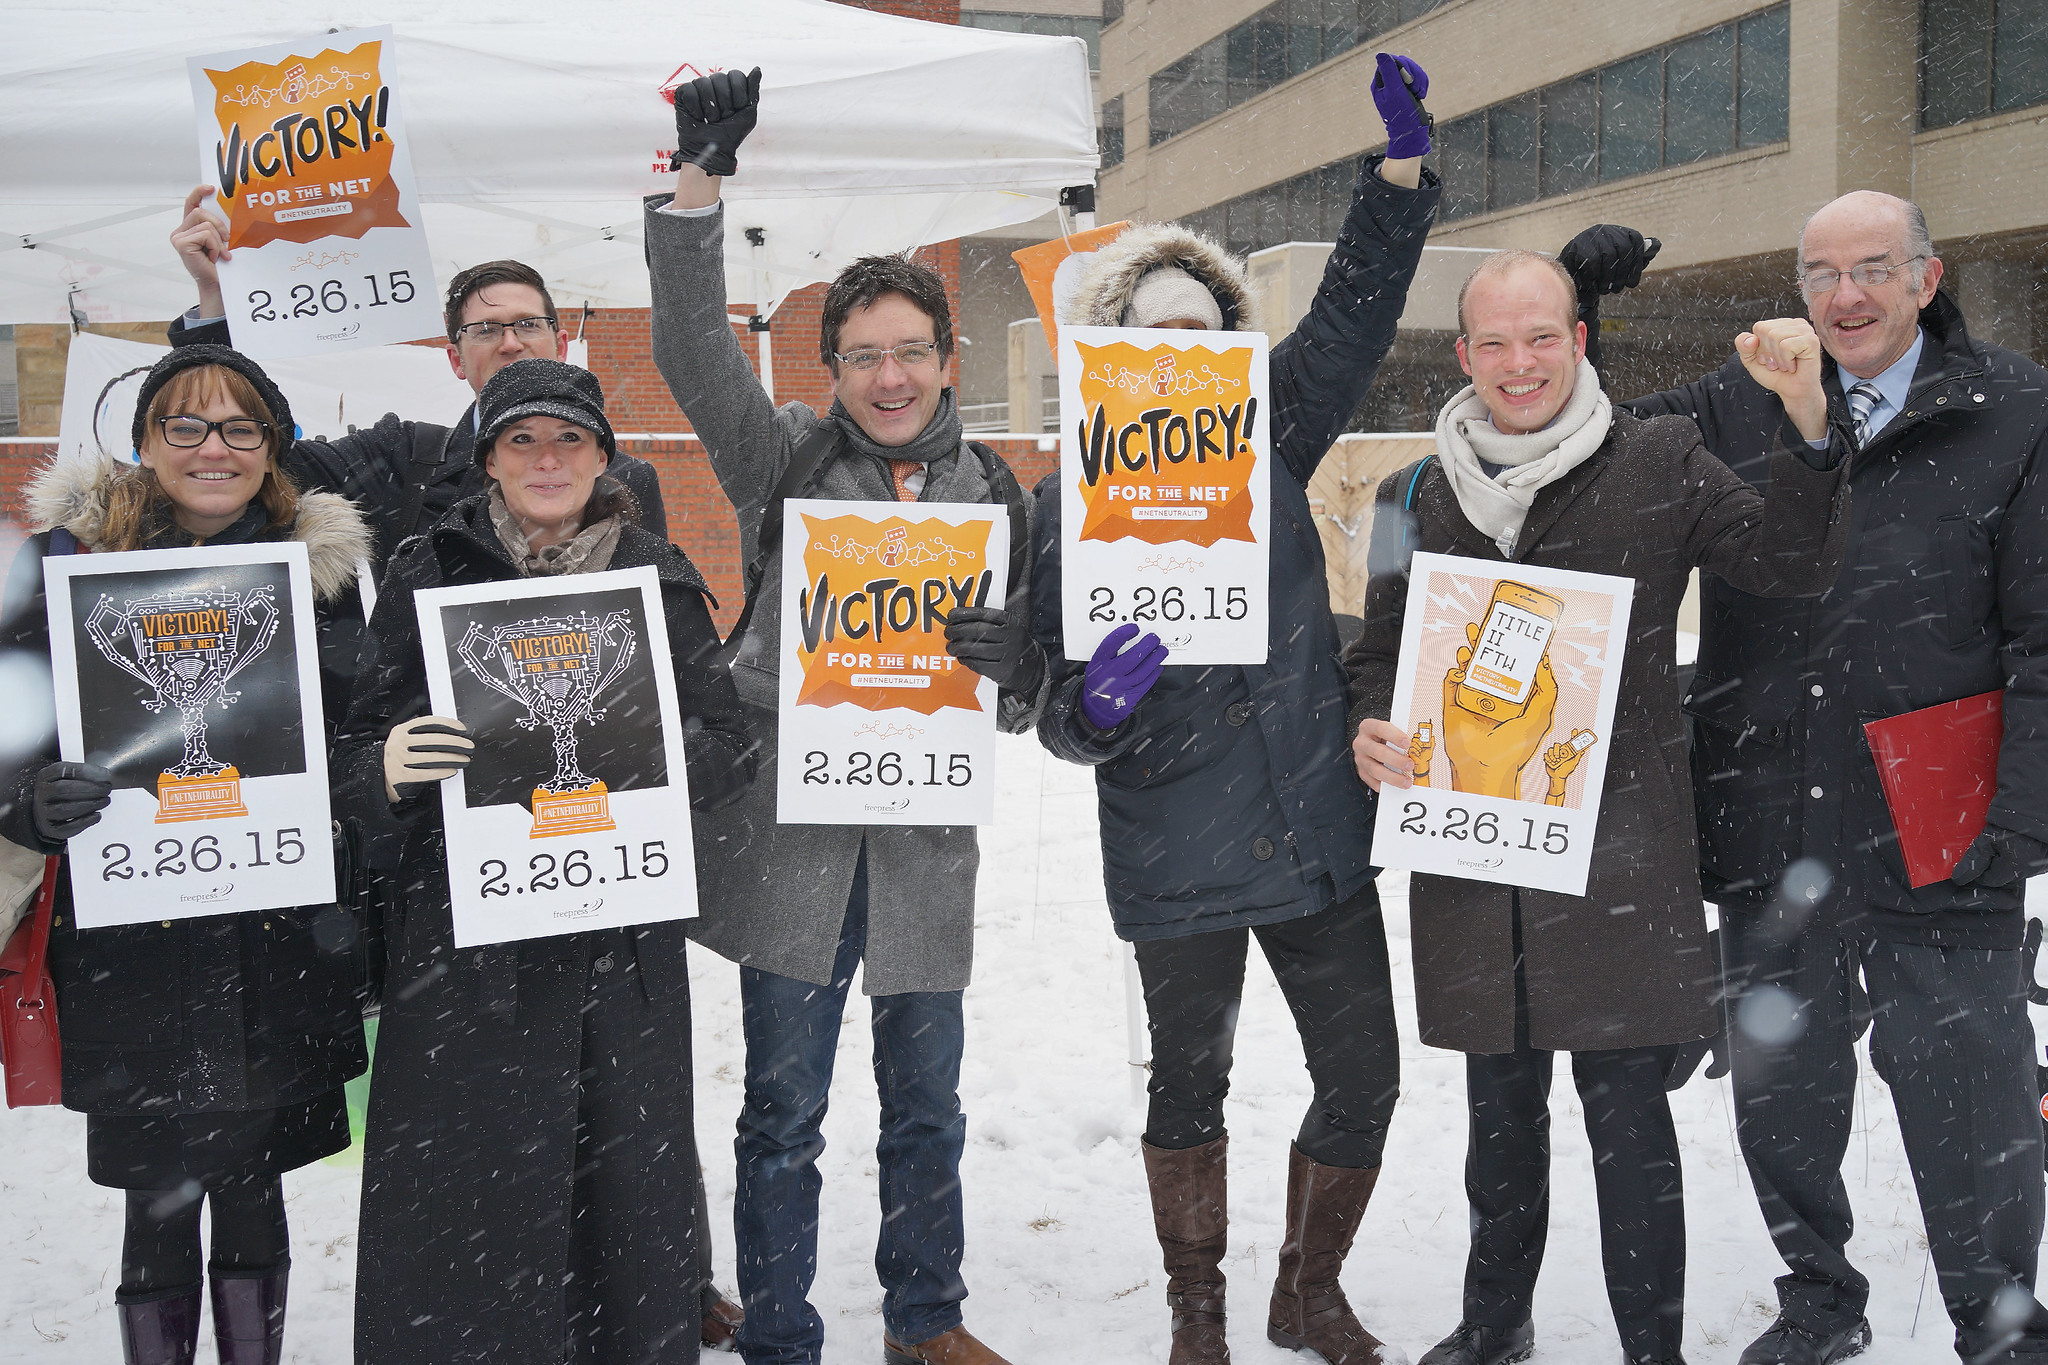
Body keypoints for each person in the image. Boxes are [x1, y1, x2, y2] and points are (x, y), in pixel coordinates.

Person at [1344, 250, 1852, 1365]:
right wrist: (1366, 725)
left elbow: (1792, 558)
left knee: (1629, 1130)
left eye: (1539, 337)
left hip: (1620, 861)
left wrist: (1806, 413)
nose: (1516, 363)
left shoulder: (1664, 458)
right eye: (1492, 343)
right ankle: (1492, 1325)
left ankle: (1649, 1349)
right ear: (1464, 354)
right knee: (1496, 1122)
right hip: (1475, 857)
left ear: (1577, 340)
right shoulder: (1414, 492)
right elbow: (1376, 651)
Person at [1563, 198, 2048, 1365]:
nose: (1845, 297)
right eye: (1820, 272)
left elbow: (2042, 637)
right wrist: (1577, 309)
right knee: (1780, 1094)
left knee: (1970, 1098)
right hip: (1767, 804)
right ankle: (1819, 1298)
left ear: (1925, 278)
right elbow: (1568, 445)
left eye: (1873, 269)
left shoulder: (2013, 409)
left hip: (1941, 811)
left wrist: (2017, 820)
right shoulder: (1735, 403)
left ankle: (1998, 1321)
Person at [1030, 53, 1440, 1365]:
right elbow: (1047, 710)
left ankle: (1306, 1291)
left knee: (1363, 1072)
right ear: (1109, 356)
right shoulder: (1065, 507)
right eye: (1147, 339)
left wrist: (1395, 180)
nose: (1178, 357)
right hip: (1173, 840)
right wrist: (1089, 704)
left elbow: (1353, 316)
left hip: (1310, 822)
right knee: (1188, 1083)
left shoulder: (1275, 431)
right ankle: (1197, 1313)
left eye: (1199, 336)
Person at [644, 68, 1045, 1365]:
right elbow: (694, 355)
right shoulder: (792, 461)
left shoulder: (997, 490)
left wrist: (1018, 652)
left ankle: (926, 1317)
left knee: (926, 1102)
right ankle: (778, 1328)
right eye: (863, 353)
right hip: (796, 843)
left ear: (945, 359)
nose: (887, 373)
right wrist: (698, 188)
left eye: (908, 351)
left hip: (924, 842)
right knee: (784, 1107)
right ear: (835, 369)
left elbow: (1037, 687)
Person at [333, 357, 755, 1365]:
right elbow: (357, 746)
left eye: (569, 438)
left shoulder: (652, 572)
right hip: (467, 948)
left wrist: (649, 747)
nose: (547, 458)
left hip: (617, 939)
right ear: (488, 458)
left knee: (621, 1191)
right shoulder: (425, 570)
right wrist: (385, 767)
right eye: (521, 439)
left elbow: (728, 746)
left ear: (603, 454)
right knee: (472, 1194)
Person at [0, 346, 373, 1365]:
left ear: (273, 446)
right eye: (187, 427)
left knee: (253, 1188)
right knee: (156, 1205)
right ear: (144, 443)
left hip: (274, 936)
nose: (215, 449)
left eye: (240, 428)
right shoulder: (65, 566)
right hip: (134, 945)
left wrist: (345, 795)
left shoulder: (320, 577)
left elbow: (351, 731)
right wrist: (27, 805)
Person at [166, 189, 669, 573]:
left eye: (528, 325)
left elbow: (653, 616)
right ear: (455, 358)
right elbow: (266, 456)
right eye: (486, 330)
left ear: (561, 347)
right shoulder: (404, 461)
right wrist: (215, 304)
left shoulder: (626, 476)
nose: (511, 343)